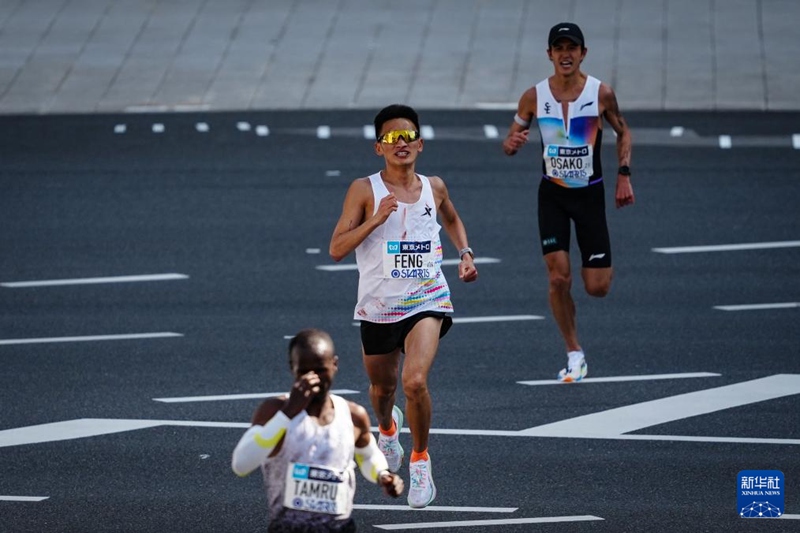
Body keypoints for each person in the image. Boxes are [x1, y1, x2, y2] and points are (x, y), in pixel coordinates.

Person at [328, 104, 478, 508]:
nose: (401, 143)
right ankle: (387, 429)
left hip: (427, 297)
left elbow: (451, 219)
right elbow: (337, 248)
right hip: (378, 305)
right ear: (379, 147)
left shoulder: (435, 187)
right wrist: (376, 220)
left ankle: (420, 461)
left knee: (414, 382)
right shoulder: (364, 190)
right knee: (383, 389)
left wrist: (465, 253)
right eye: (392, 138)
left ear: (420, 144)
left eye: (408, 136)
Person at [502, 22, 634, 383]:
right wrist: (511, 144)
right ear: (549, 54)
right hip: (553, 196)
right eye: (559, 48)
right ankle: (574, 352)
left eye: (571, 48)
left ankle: (592, 278)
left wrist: (624, 174)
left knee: (597, 287)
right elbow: (511, 139)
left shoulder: (600, 93)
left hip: (590, 196)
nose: (565, 54)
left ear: (582, 53)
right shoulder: (533, 96)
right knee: (559, 277)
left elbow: (624, 132)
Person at [231, 328, 404, 532]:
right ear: (292, 368)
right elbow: (241, 464)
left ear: (334, 364)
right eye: (304, 371)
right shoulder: (274, 411)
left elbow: (367, 455)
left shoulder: (352, 415)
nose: (312, 378)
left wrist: (382, 475)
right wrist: (288, 413)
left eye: (320, 370)